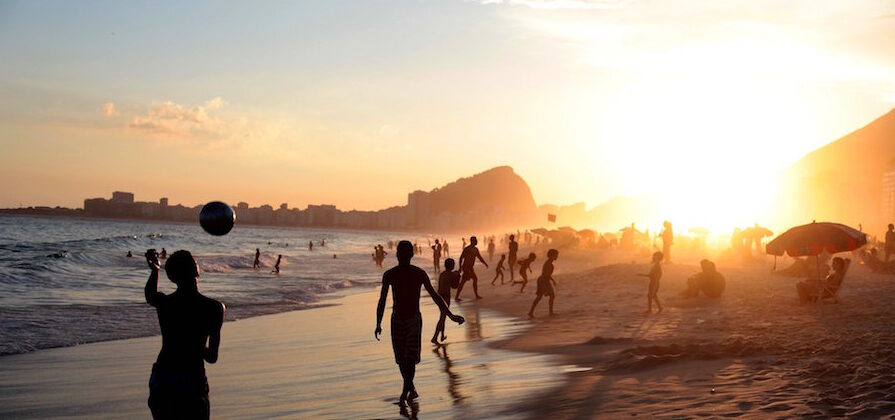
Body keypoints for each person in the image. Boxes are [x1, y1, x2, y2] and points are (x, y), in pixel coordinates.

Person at [375, 241, 464, 403]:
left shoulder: (418, 274)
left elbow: (436, 297)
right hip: (397, 320)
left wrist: (451, 316)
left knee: (410, 357)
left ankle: (405, 389)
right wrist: (378, 323)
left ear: (410, 254)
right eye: (400, 252)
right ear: (398, 255)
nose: (402, 255)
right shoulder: (390, 275)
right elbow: (382, 300)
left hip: (413, 319)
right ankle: (410, 387)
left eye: (404, 252)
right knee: (401, 358)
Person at [143, 249, 225, 420]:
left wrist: (155, 270)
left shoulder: (165, 303)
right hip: (191, 379)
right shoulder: (214, 308)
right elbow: (212, 357)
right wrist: (195, 344)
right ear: (196, 270)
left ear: (173, 277)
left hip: (164, 376)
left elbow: (150, 295)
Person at [432, 258, 460, 344]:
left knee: (443, 315)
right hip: (446, 297)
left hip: (439, 296)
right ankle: (435, 337)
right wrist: (458, 277)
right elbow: (455, 286)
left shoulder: (442, 274)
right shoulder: (452, 275)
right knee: (443, 317)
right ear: (452, 266)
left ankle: (442, 335)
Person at [455, 236, 489, 301]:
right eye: (476, 240)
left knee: (465, 281)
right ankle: (475, 295)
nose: (477, 241)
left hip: (470, 268)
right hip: (466, 267)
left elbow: (480, 257)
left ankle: (458, 296)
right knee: (470, 280)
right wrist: (460, 267)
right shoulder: (467, 249)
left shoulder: (476, 250)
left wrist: (485, 263)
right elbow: (461, 258)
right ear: (472, 241)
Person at [528, 249, 559, 318]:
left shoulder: (549, 263)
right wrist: (552, 281)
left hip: (543, 280)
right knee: (550, 295)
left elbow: (546, 274)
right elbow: (546, 274)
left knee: (541, 296)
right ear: (551, 255)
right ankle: (550, 312)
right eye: (556, 255)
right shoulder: (549, 264)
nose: (557, 256)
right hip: (543, 280)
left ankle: (531, 312)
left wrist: (552, 280)